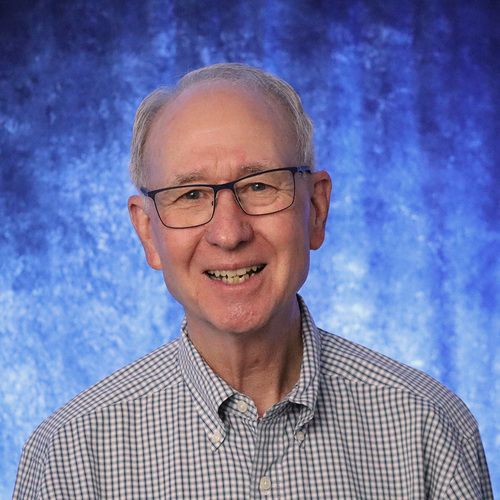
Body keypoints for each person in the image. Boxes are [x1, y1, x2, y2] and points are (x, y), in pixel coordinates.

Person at [13, 63, 493, 499]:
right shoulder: (71, 456)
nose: (229, 233)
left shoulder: (428, 428)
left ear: (316, 209)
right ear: (147, 232)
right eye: (190, 194)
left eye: (259, 185)